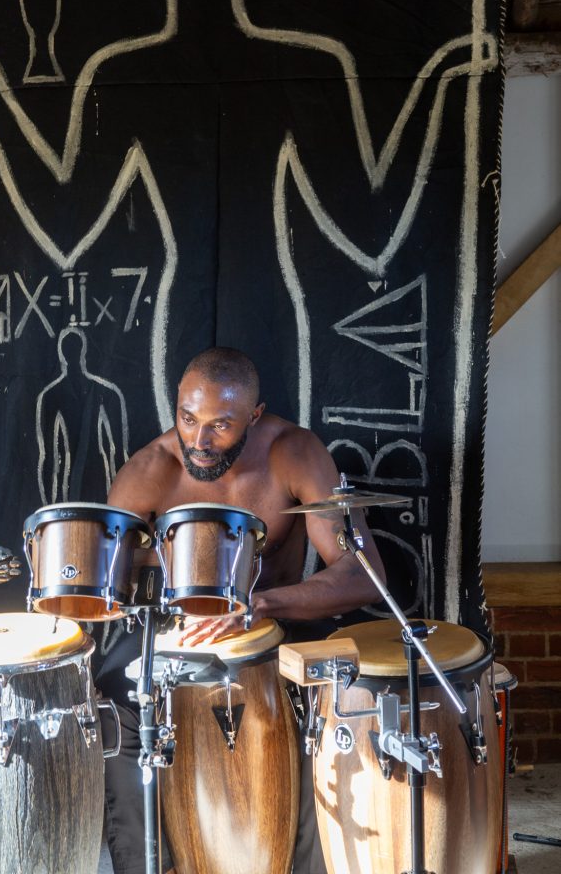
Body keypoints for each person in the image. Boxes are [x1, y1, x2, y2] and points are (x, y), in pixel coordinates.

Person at [98, 346, 386, 874]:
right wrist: (148, 556)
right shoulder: (149, 469)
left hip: (279, 623)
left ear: (254, 416)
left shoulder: (293, 453)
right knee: (115, 693)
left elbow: (362, 574)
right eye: (188, 418)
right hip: (180, 636)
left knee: (339, 693)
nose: (199, 442)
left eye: (220, 425)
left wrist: (261, 605)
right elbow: (102, 583)